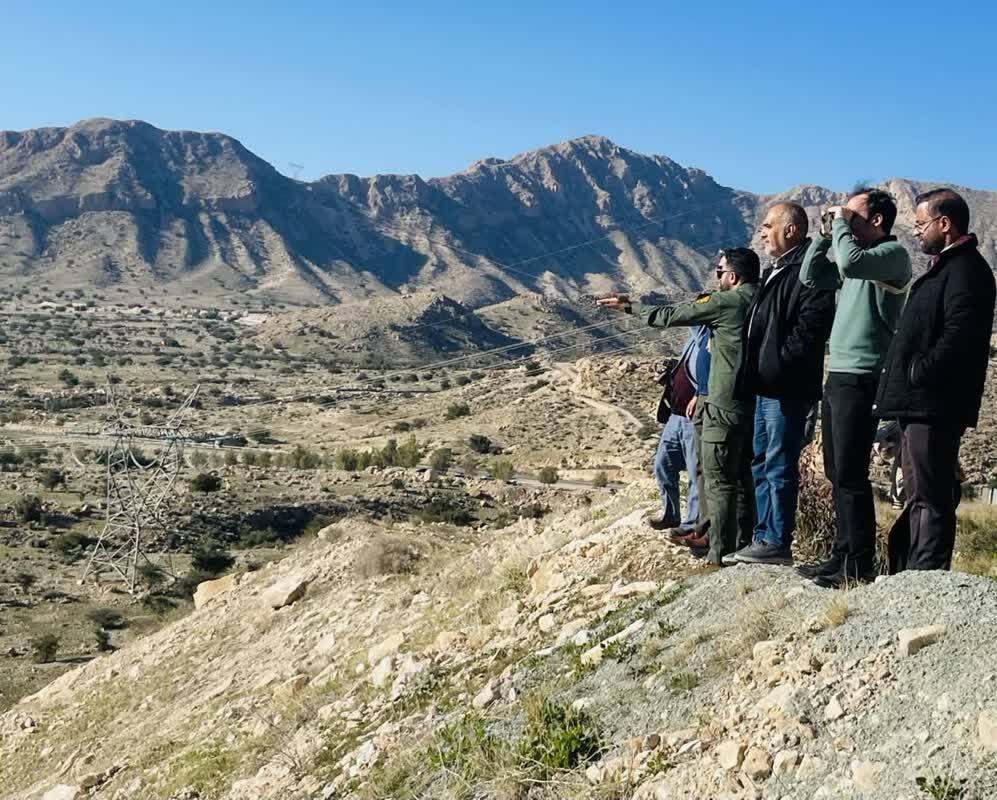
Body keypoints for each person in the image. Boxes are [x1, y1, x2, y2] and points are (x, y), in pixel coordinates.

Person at [598, 248, 759, 566]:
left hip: (722, 404)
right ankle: (744, 544)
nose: (717, 278)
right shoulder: (763, 298)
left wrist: (630, 306)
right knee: (741, 479)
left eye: (719, 272)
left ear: (733, 276)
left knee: (718, 480)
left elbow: (668, 316)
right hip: (750, 402)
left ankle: (718, 552)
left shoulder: (729, 302)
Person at [874, 189, 995, 570]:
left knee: (931, 492)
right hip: (919, 401)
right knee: (917, 491)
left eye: (921, 224)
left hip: (935, 403)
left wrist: (919, 371)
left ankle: (925, 574)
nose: (916, 232)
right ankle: (910, 570)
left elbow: (961, 334)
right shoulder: (945, 267)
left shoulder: (967, 270)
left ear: (945, 224)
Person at [797, 188, 912, 587]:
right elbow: (811, 275)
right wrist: (825, 236)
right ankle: (841, 555)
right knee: (837, 471)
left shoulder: (891, 257)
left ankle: (858, 563)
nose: (846, 217)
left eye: (855, 213)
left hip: (864, 375)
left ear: (877, 220)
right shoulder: (857, 260)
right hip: (841, 374)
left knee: (851, 473)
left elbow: (850, 261)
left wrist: (841, 228)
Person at [729, 202, 835, 566]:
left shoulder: (809, 270)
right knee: (761, 461)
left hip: (786, 387)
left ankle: (776, 540)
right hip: (764, 386)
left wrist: (778, 366)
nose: (760, 231)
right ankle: (763, 537)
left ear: (790, 230)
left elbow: (811, 327)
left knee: (778, 464)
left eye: (766, 225)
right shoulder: (777, 269)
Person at [648, 326, 710, 532]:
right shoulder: (692, 340)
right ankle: (670, 514)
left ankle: (692, 524)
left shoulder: (710, 339)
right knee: (663, 464)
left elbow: (709, 372)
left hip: (693, 417)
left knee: (695, 470)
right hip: (676, 414)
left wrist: (700, 394)